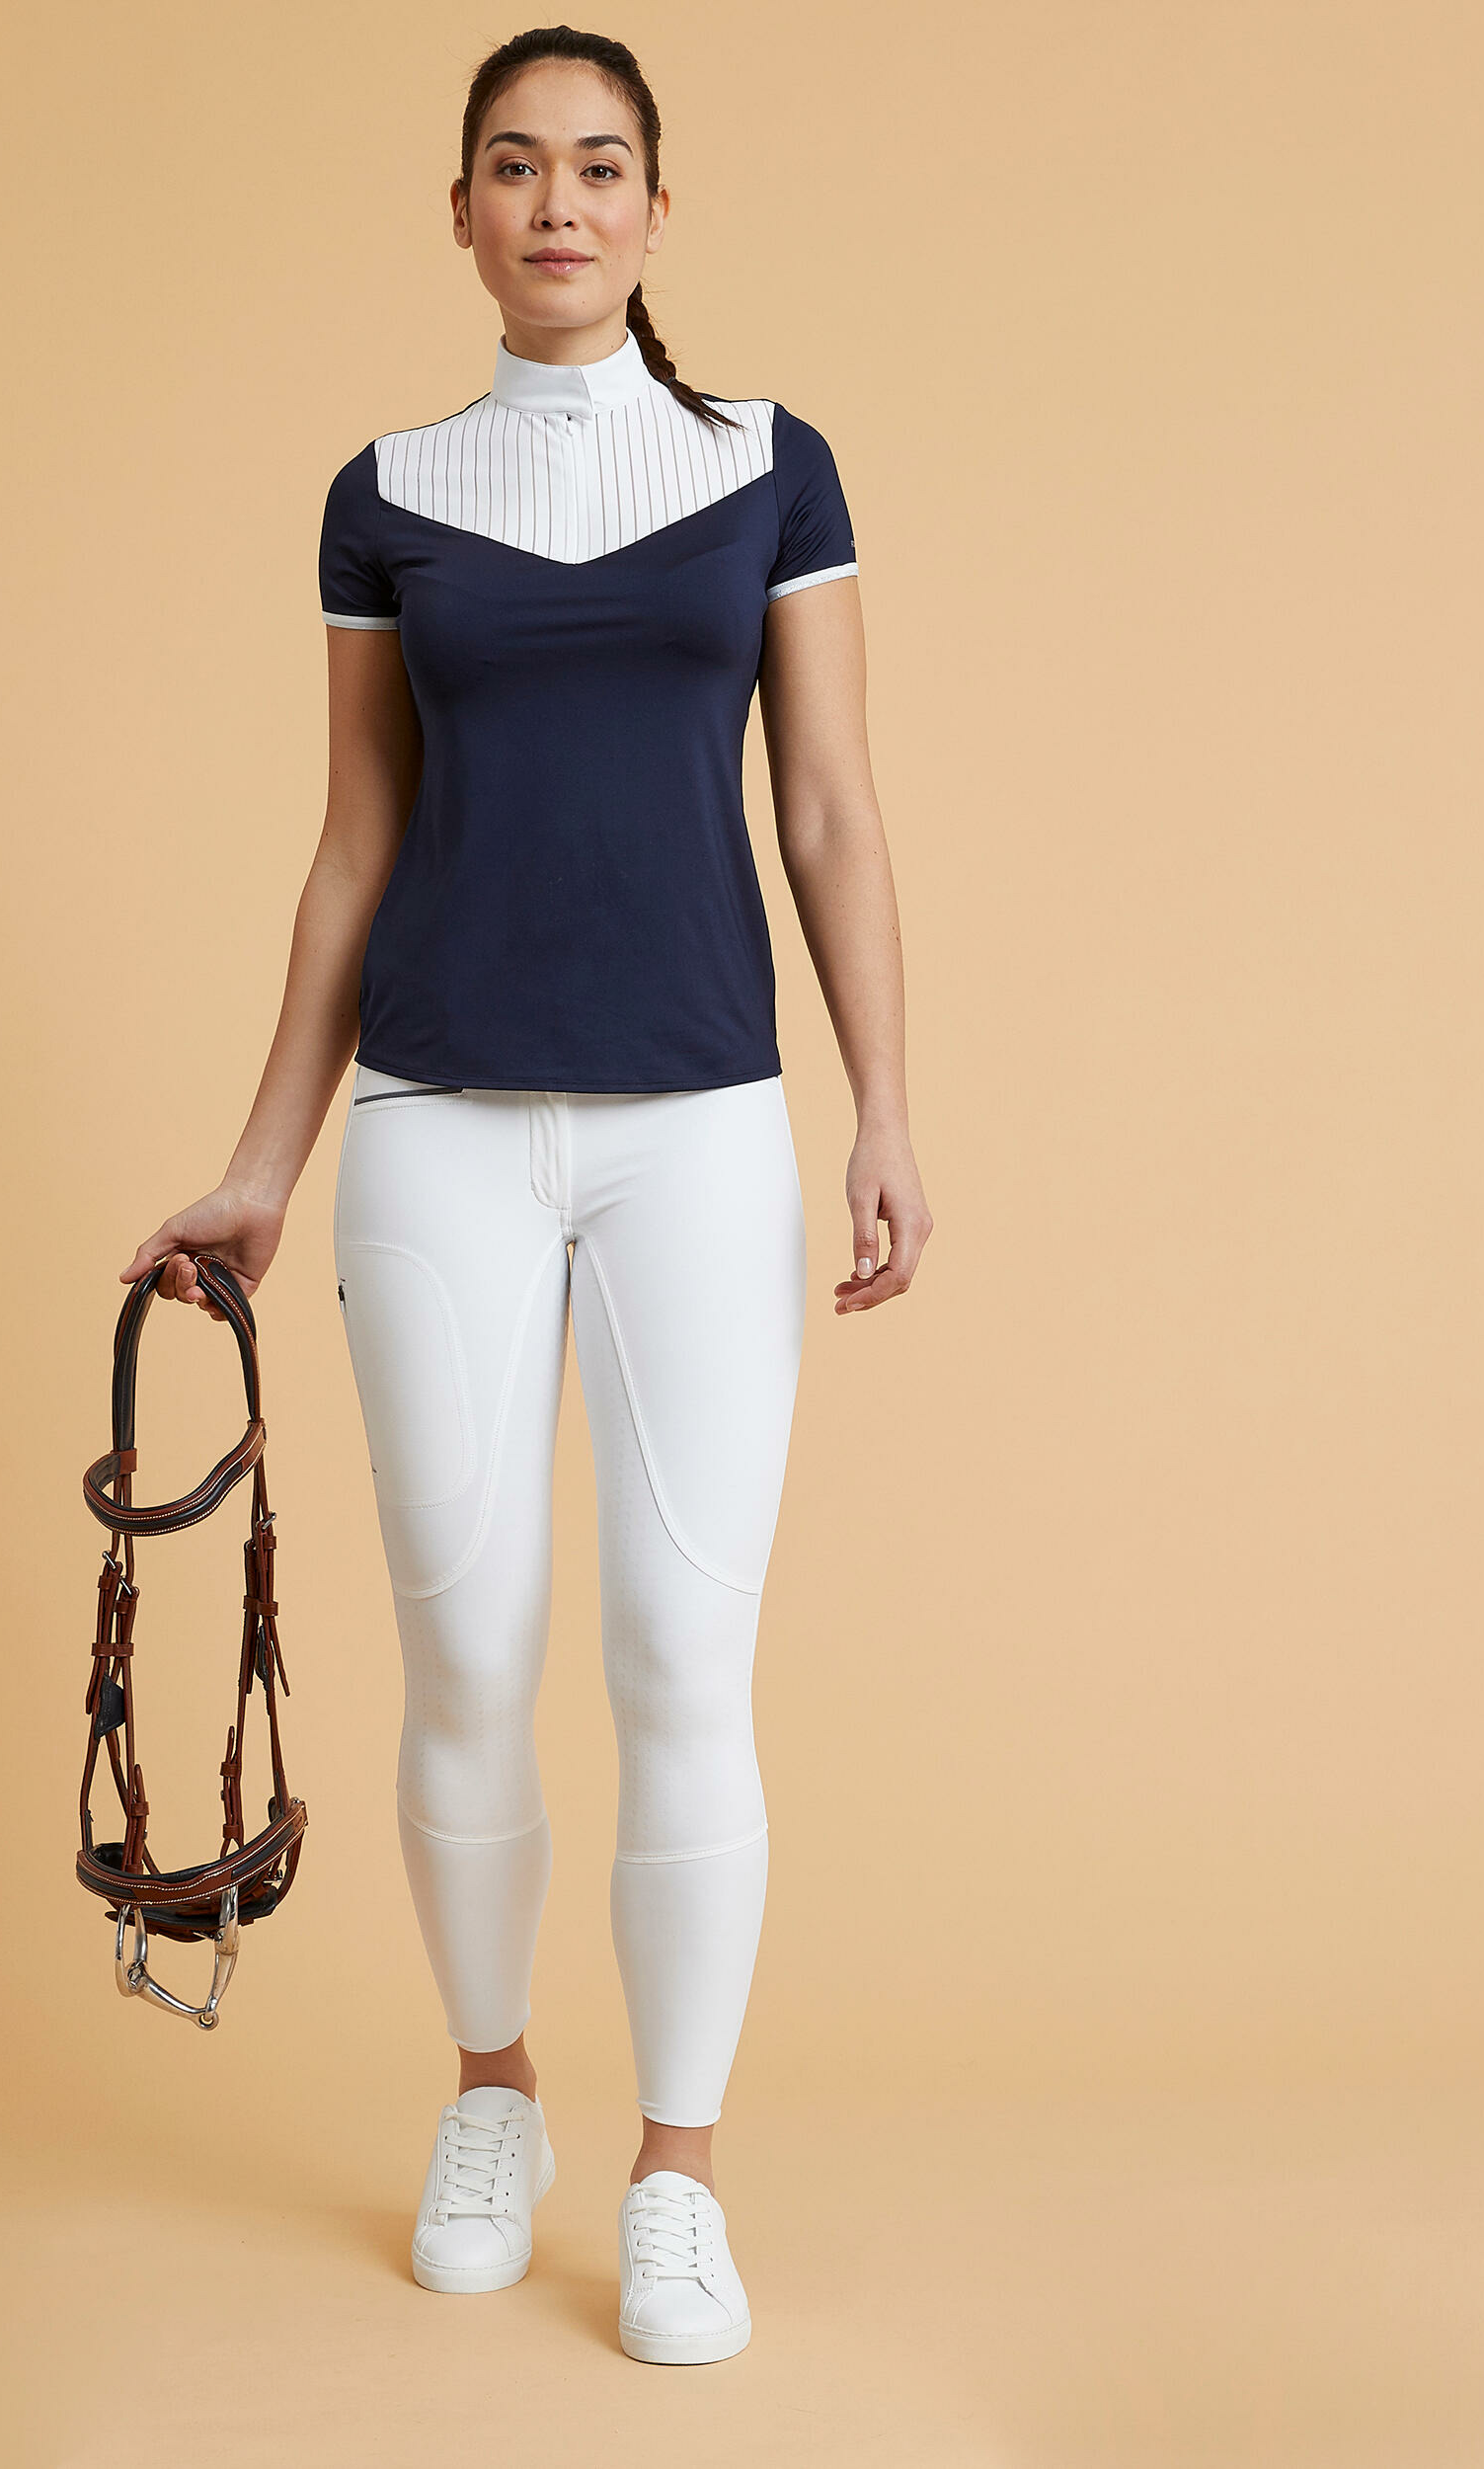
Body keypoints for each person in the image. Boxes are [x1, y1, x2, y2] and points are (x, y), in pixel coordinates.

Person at [121, 24, 930, 2365]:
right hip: (439, 1128)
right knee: (466, 1651)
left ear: (656, 209)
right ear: (460, 210)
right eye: (512, 164)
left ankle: (675, 2170)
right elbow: (353, 841)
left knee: (679, 1656)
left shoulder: (769, 467)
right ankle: (492, 2095)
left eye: (596, 165)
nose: (555, 201)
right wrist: (262, 1161)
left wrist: (883, 1108)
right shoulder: (382, 494)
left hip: (695, 1129)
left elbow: (830, 810)